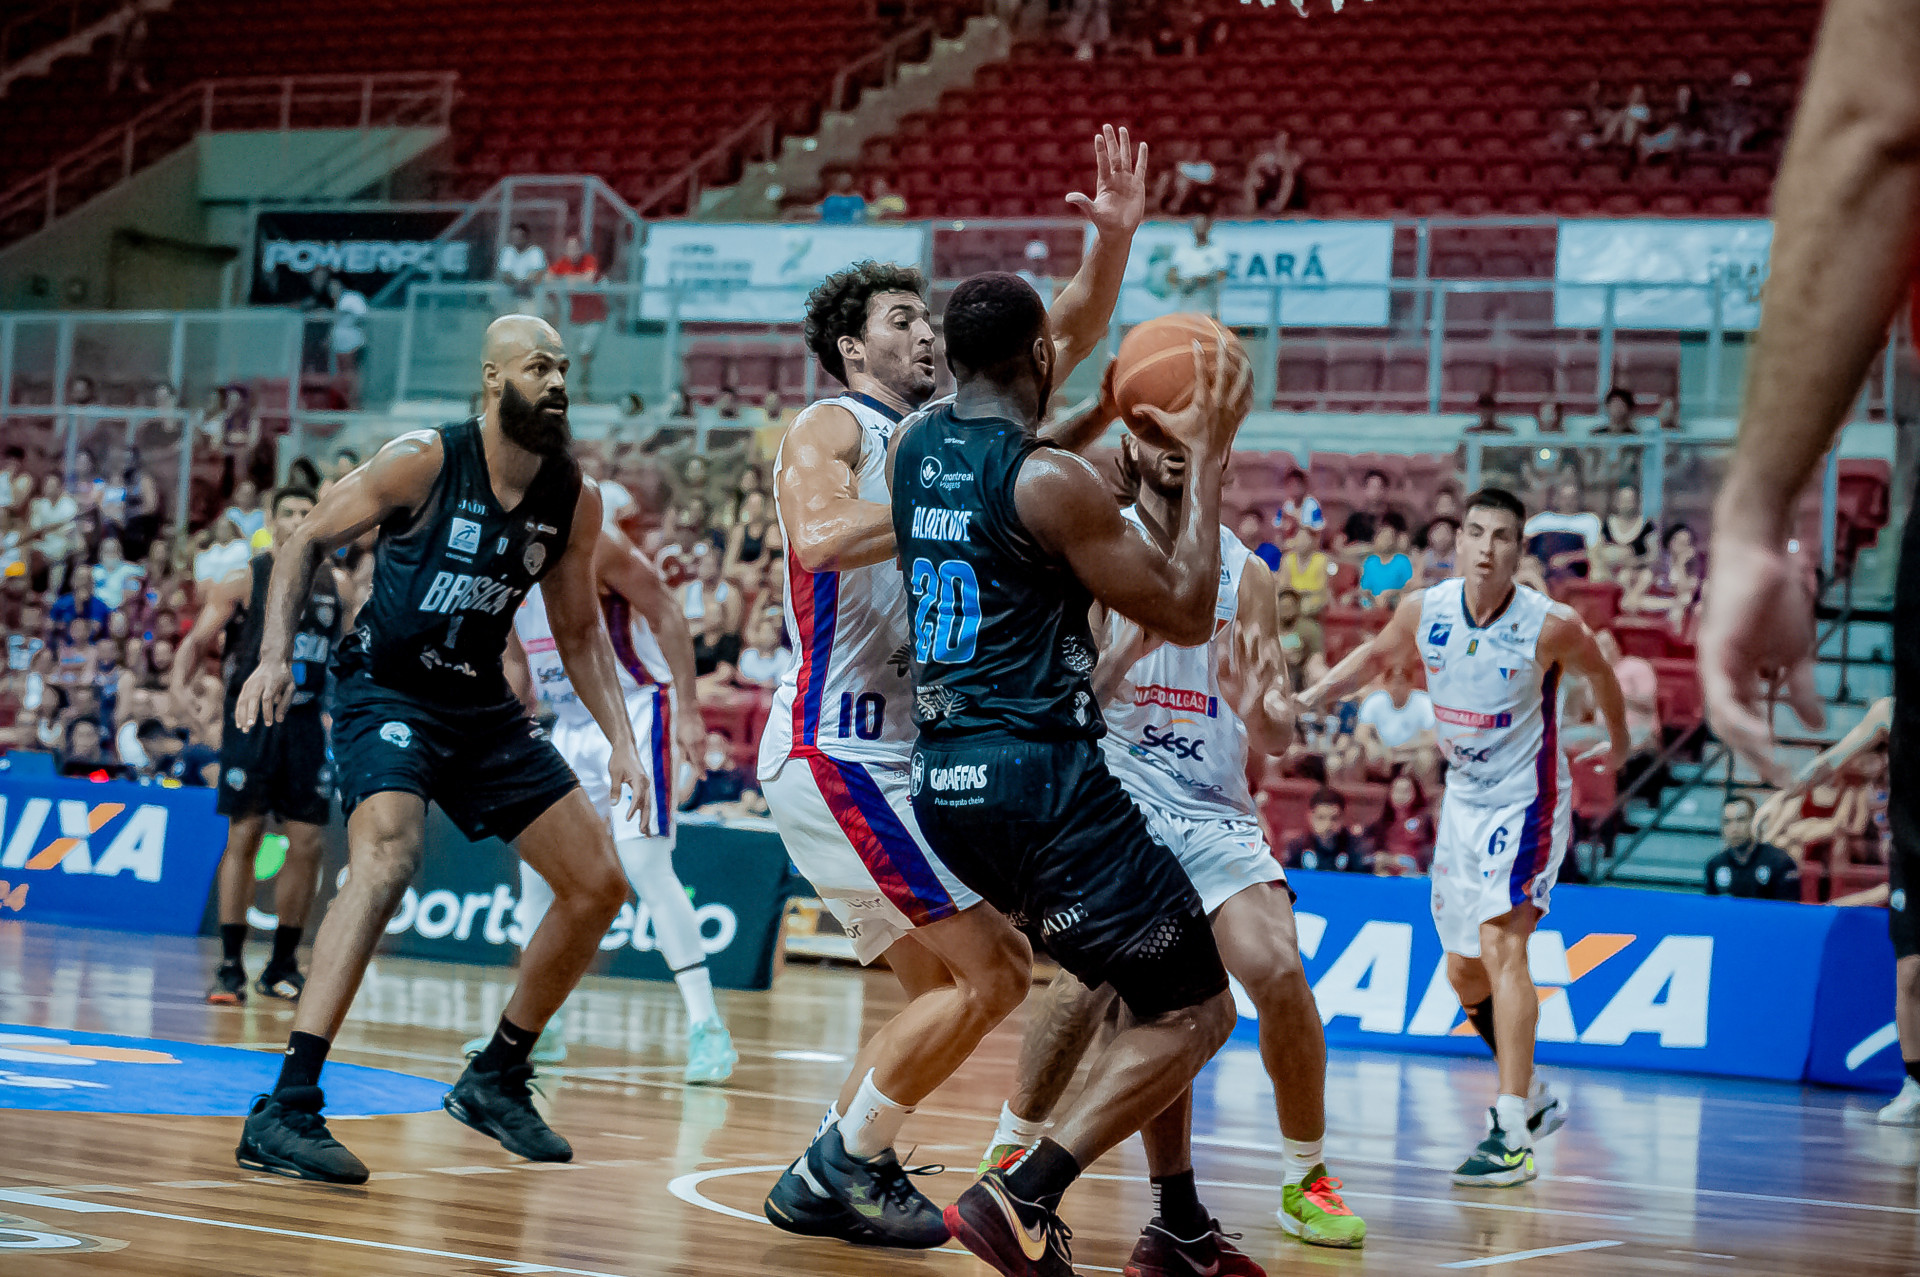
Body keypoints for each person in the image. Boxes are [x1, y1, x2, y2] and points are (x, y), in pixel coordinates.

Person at [759, 125, 1147, 1252]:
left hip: (899, 752)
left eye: (930, 318)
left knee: (940, 983)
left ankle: (842, 1160)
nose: (925, 330)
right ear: (850, 347)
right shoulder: (834, 424)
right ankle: (837, 1163)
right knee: (996, 971)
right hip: (838, 745)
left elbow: (1058, 329)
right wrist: (956, 504)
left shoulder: (944, 432)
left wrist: (1109, 240)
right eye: (900, 320)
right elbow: (822, 539)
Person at [229, 314, 644, 1185]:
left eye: (566, 366)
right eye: (540, 366)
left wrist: (623, 743)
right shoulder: (423, 458)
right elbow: (303, 538)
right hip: (388, 689)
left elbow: (576, 628)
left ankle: (497, 1074)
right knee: (386, 856)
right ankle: (287, 1105)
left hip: (479, 704)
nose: (559, 381)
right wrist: (272, 656)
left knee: (599, 883)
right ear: (495, 380)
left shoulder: (574, 495)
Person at [892, 272, 1243, 1276]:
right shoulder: (1052, 481)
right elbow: (1181, 607)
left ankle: (1176, 1221)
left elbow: (1026, 469)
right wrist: (1209, 459)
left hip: (947, 784)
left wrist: (1111, 412)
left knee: (1143, 977)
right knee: (1197, 1009)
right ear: (1042, 357)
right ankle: (1025, 1188)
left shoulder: (917, 445)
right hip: (1043, 783)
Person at [974, 396, 1366, 1258]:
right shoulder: (1092, 539)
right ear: (1132, 448)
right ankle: (1015, 1139)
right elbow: (1061, 698)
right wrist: (1127, 652)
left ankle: (1307, 1173)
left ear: (1225, 460)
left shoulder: (1248, 574)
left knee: (1278, 969)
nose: (1178, 451)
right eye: (1157, 435)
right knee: (1097, 982)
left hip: (1214, 804)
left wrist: (1263, 705)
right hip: (1115, 788)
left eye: (1199, 440)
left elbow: (1272, 732)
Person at [1300, 487, 1630, 1187]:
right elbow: (1375, 656)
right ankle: (1534, 1093)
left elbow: (1602, 674)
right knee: (1462, 971)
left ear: (1518, 550)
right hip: (1464, 801)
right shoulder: (1426, 608)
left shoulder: (1552, 624)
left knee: (1504, 946)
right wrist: (1306, 699)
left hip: (1528, 797)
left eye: (1502, 535)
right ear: (1458, 543)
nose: (1486, 546)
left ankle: (1510, 1130)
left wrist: (1620, 743)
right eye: (1475, 531)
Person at [493, 506, 733, 1082]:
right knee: (536, 868)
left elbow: (667, 612)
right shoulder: (500, 552)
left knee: (647, 865)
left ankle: (707, 1026)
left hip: (636, 709)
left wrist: (691, 713)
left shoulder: (595, 543)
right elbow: (513, 653)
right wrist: (513, 709)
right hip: (568, 723)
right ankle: (537, 1026)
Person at [173, 486, 344, 1004]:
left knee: (309, 843)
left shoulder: (335, 584)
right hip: (251, 723)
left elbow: (352, 653)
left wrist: (346, 710)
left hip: (306, 725)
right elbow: (195, 642)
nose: (297, 519)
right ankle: (229, 966)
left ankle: (282, 964)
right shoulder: (247, 577)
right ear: (270, 520)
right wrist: (187, 700)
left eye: (305, 512)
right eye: (288, 512)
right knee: (243, 835)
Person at [1354, 659, 1437, 784]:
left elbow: (1434, 739)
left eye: (1400, 683)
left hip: (1411, 753)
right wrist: (1373, 746)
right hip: (1383, 754)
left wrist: (1404, 748)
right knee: (1357, 752)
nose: (1396, 688)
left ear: (1410, 684)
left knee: (1426, 757)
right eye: (1392, 683)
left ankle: (1426, 795)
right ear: (1386, 684)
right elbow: (1360, 734)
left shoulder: (1423, 701)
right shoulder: (1374, 700)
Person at [1703, 796, 1801, 900]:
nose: (1734, 828)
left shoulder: (1780, 862)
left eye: (1741, 820)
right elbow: (1711, 911)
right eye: (1727, 821)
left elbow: (1788, 912)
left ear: (1754, 822)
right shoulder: (1715, 865)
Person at [548, 234, 607, 402]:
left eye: (576, 247)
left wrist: (565, 280)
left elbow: (587, 280)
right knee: (569, 358)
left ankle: (584, 392)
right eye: (569, 248)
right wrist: (570, 280)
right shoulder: (563, 264)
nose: (572, 251)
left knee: (585, 354)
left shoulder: (589, 260)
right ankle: (568, 393)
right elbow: (548, 278)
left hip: (593, 318)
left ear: (581, 249)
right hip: (575, 319)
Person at [1523, 479, 1601, 582]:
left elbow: (1594, 552)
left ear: (1579, 499)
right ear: (1557, 499)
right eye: (1564, 498)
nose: (1568, 501)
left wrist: (1567, 558)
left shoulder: (1589, 520)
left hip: (1573, 569)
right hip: (1540, 567)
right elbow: (1521, 540)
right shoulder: (1543, 519)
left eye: (1572, 498)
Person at [1365, 771, 1437, 876]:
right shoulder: (1382, 823)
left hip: (1413, 871)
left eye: (1406, 791)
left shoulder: (1422, 821)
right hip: (1387, 870)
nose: (1401, 796)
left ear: (1416, 794)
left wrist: (1399, 861)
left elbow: (1424, 853)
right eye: (1397, 791)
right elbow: (1371, 853)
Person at [1284, 788, 1371, 873]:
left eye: (1334, 819)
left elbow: (1363, 881)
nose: (1327, 825)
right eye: (1321, 818)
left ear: (1343, 818)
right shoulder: (1296, 847)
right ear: (1310, 817)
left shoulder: (1355, 848)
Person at [1166, 212, 1229, 318]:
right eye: (1197, 225)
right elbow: (1172, 275)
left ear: (1209, 227)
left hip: (1207, 306)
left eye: (1202, 225)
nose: (1199, 229)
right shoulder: (1183, 251)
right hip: (1185, 306)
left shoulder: (1216, 251)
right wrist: (1183, 283)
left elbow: (1221, 275)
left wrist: (1203, 280)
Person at [496, 223, 548, 302]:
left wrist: (524, 283)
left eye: (519, 236)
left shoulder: (536, 251)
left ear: (526, 237)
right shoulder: (507, 251)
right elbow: (505, 273)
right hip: (510, 297)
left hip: (532, 297)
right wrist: (517, 283)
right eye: (514, 237)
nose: (516, 239)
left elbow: (538, 273)